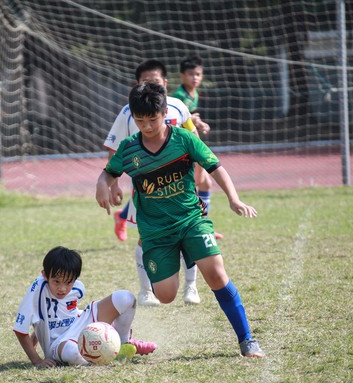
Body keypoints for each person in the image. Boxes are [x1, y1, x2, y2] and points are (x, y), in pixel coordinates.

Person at [96, 83, 265, 358]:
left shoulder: (184, 139)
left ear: (165, 113)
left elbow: (216, 167)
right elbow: (108, 173)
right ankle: (178, 260)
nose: (147, 126)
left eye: (152, 119)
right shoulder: (128, 149)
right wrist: (102, 184)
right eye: (140, 120)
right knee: (166, 295)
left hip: (190, 220)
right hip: (155, 232)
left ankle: (247, 340)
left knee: (216, 274)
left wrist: (234, 199)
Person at [103, 59, 201, 306]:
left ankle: (191, 286)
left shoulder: (178, 107)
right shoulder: (128, 113)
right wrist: (113, 185)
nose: (150, 86)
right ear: (137, 84)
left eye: (155, 82)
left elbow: (193, 136)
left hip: (181, 187)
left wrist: (200, 171)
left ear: (165, 83)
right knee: (145, 238)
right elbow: (115, 149)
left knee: (190, 235)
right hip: (146, 191)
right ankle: (146, 291)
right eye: (145, 82)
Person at [13, 246, 157, 367]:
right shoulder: (36, 290)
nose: (62, 288)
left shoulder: (78, 288)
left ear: (76, 277)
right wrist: (37, 360)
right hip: (59, 344)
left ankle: (123, 343)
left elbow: (54, 314)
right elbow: (20, 330)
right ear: (45, 275)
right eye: (56, 282)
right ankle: (101, 361)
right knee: (72, 351)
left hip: (81, 322)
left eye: (69, 282)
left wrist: (38, 334)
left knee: (126, 298)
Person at [172, 55, 221, 239]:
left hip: (191, 142)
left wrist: (198, 122)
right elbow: (182, 119)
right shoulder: (178, 96)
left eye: (198, 74)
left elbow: (189, 117)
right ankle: (195, 226)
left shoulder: (194, 94)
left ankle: (202, 224)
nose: (195, 78)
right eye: (191, 74)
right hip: (182, 147)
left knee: (205, 182)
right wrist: (195, 121)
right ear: (182, 76)